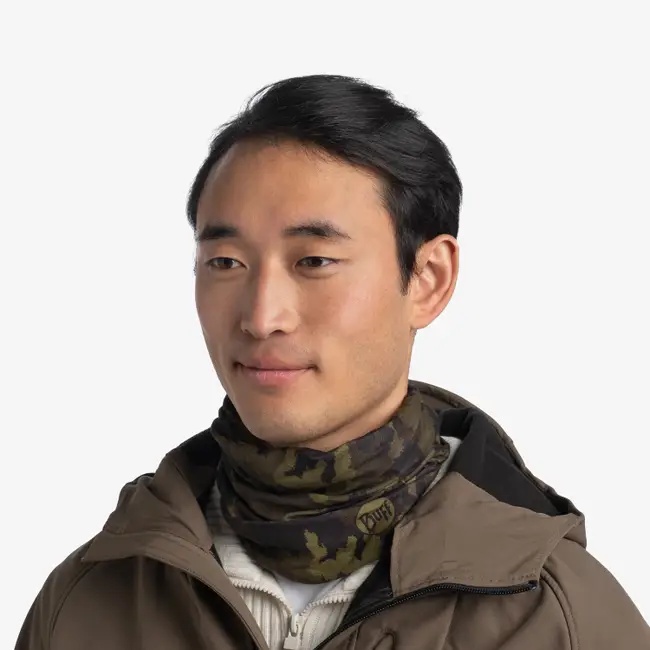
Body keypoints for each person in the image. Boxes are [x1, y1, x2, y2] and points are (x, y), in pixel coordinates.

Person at [16, 74, 649, 650]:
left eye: (314, 261)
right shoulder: (89, 601)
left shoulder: (557, 618)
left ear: (427, 279)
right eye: (226, 262)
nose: (262, 316)